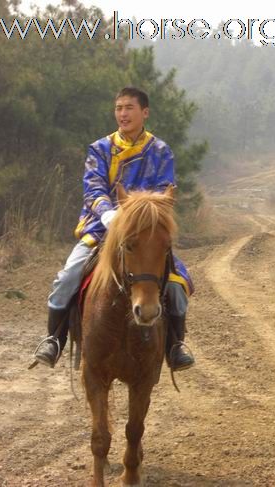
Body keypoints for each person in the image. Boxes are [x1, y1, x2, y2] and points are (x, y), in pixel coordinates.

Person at [32, 87, 195, 372]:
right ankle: (53, 339)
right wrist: (109, 214)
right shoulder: (100, 149)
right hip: (101, 228)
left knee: (177, 284)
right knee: (68, 276)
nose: (123, 113)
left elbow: (163, 193)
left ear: (144, 112)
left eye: (129, 107)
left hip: (144, 233)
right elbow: (93, 188)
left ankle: (175, 345)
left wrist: (135, 216)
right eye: (119, 108)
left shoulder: (160, 151)